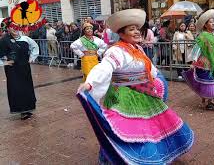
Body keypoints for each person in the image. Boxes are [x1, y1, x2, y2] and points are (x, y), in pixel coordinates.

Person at [76, 9, 194, 164]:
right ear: (122, 33)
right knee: (125, 130)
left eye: (137, 29)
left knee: (149, 128)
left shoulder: (138, 49)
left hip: (144, 95)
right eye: (132, 29)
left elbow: (150, 68)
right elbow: (104, 68)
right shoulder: (116, 50)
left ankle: (147, 157)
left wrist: (156, 80)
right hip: (123, 96)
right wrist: (90, 83)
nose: (137, 32)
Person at [0, 18, 39, 120]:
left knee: (27, 88)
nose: (15, 28)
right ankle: (22, 111)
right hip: (13, 71)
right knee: (17, 89)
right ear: (8, 29)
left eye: (16, 26)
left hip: (25, 68)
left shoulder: (25, 38)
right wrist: (4, 62)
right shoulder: (4, 40)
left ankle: (28, 109)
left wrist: (32, 58)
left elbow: (35, 46)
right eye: (12, 27)